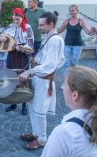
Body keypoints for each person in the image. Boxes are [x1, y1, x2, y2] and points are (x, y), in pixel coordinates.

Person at [18, 11, 64, 149]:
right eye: (39, 25)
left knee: (39, 112)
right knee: (33, 107)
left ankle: (42, 139)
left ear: (51, 24)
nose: (39, 28)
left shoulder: (55, 40)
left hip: (44, 81)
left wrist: (31, 71)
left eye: (42, 25)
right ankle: (36, 133)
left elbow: (50, 65)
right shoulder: (49, 37)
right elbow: (59, 60)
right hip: (40, 78)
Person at [0, 8, 34, 115]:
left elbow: (31, 45)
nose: (15, 21)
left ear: (22, 17)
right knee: (11, 77)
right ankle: (13, 103)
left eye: (18, 19)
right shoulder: (10, 26)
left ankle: (24, 104)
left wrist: (21, 47)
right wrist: (0, 38)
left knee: (23, 78)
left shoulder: (28, 28)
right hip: (11, 55)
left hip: (22, 57)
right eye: (14, 19)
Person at [57, 4, 92, 89]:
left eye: (73, 10)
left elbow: (88, 32)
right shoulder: (66, 21)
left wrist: (92, 30)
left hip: (77, 44)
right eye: (70, 10)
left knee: (73, 63)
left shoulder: (81, 21)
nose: (71, 12)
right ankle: (65, 82)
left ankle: (72, 82)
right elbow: (59, 30)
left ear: (77, 11)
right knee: (65, 63)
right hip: (67, 44)